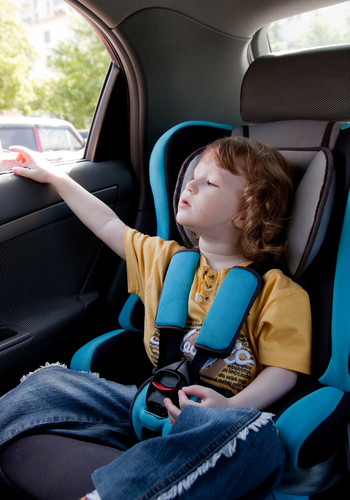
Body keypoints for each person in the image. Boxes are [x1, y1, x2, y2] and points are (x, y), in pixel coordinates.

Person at [1, 136, 312, 500]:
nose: (190, 184)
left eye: (209, 182)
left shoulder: (279, 292)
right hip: (147, 402)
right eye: (193, 175)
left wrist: (230, 407)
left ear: (247, 212)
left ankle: (117, 492)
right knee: (49, 381)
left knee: (253, 439)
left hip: (218, 417)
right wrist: (56, 177)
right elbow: (105, 223)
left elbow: (284, 371)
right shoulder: (164, 262)